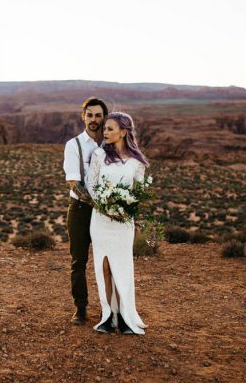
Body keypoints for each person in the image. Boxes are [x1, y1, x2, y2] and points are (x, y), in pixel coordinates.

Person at [87, 112, 150, 334]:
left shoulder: (137, 162)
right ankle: (108, 315)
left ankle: (124, 315)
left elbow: (139, 192)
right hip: (101, 219)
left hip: (123, 222)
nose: (105, 132)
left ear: (124, 132)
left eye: (110, 129)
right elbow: (92, 186)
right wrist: (106, 205)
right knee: (103, 265)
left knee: (121, 266)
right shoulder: (98, 155)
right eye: (105, 128)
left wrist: (125, 208)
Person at [63, 97, 108, 325]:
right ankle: (80, 308)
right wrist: (98, 205)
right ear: (83, 116)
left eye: (98, 115)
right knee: (78, 261)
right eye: (89, 115)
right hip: (81, 210)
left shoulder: (110, 145)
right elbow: (74, 183)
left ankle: (106, 309)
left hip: (105, 212)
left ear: (104, 118)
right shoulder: (74, 145)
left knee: (104, 261)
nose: (93, 119)